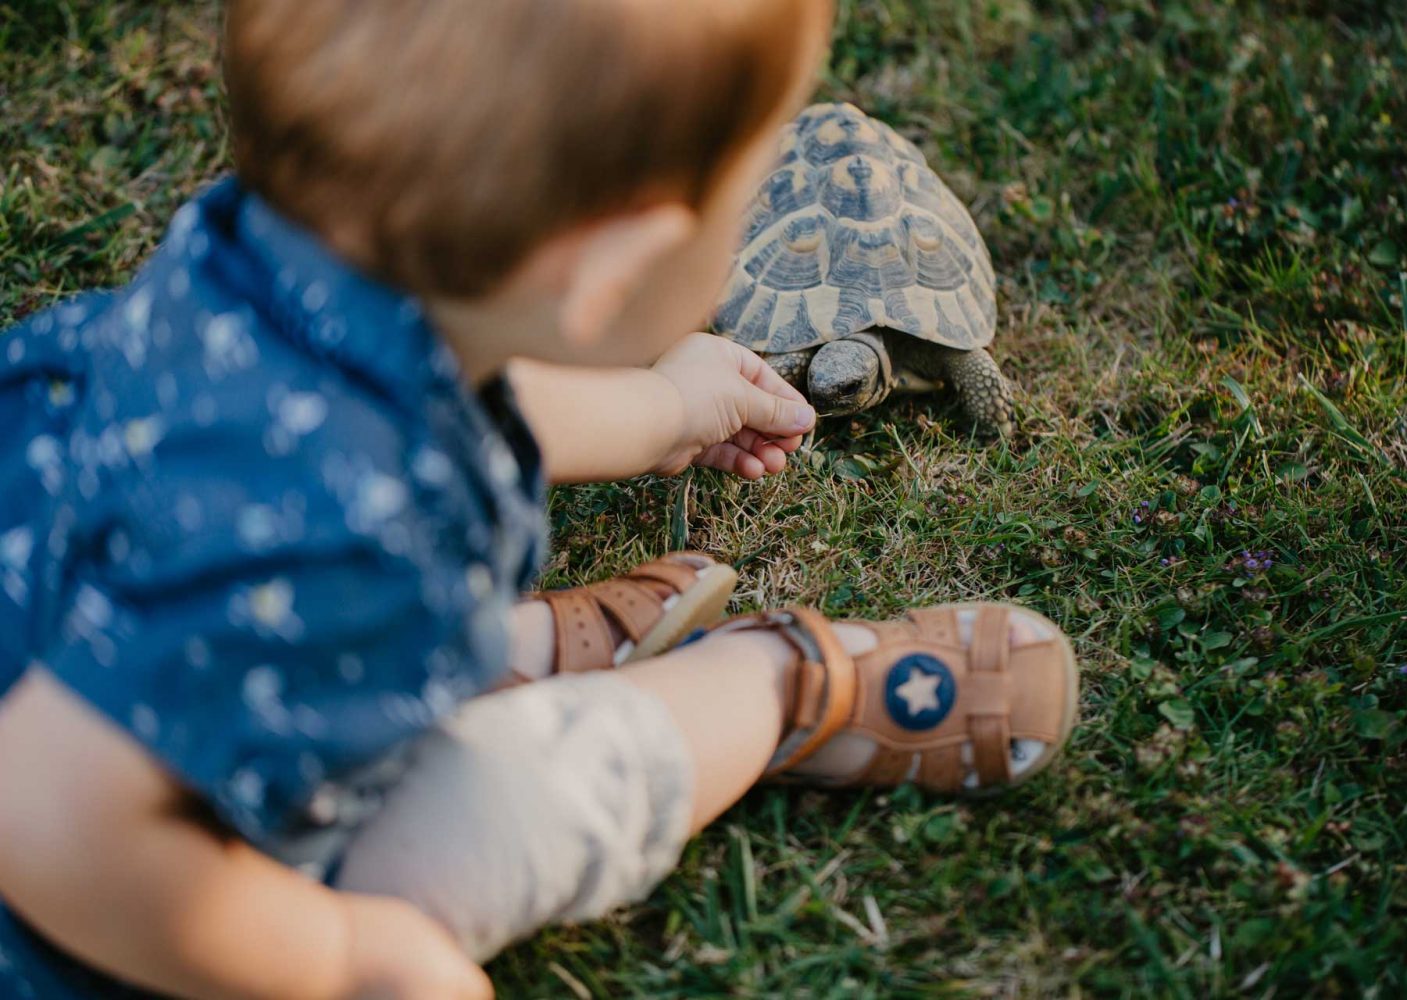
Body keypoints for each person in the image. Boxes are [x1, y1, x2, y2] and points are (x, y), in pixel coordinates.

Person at [0, 1, 1080, 996]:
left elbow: (454, 395)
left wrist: (661, 406)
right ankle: (782, 683)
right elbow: (48, 811)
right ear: (618, 267)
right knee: (527, 802)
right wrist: (349, 961)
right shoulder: (344, 534)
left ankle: (501, 646)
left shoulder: (255, 265)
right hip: (125, 901)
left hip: (67, 616)